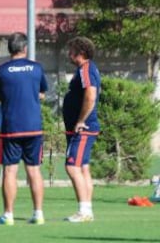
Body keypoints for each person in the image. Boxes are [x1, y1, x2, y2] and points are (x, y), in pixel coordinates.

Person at [0, 32, 48, 226]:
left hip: (11, 127)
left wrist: (8, 97)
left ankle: (8, 215)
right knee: (34, 171)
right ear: (25, 48)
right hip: (33, 127)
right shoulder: (37, 68)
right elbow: (41, 93)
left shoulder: (1, 70)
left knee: (10, 172)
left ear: (9, 48)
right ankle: (38, 213)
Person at [62, 36, 101, 223]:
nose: (69, 55)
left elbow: (90, 96)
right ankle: (88, 210)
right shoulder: (83, 70)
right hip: (79, 128)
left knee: (72, 166)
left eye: (71, 51)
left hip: (83, 128)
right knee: (83, 167)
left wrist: (80, 120)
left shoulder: (86, 69)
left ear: (81, 53)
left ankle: (84, 211)